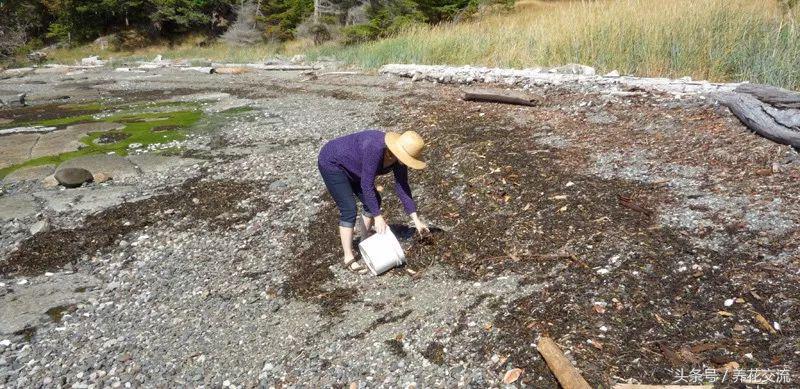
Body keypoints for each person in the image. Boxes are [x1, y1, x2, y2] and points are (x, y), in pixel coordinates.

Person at [317, 130, 430, 273]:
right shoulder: (375, 148)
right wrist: (378, 216)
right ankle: (348, 257)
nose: (408, 161)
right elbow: (366, 185)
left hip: (356, 166)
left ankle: (365, 241)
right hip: (333, 163)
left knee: (374, 200)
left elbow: (402, 186)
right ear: (397, 151)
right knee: (349, 209)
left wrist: (416, 220)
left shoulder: (399, 161)